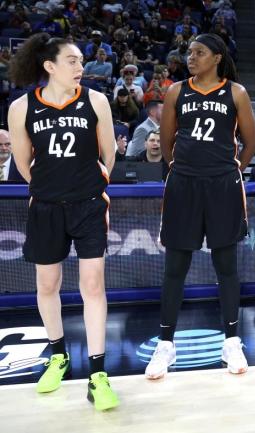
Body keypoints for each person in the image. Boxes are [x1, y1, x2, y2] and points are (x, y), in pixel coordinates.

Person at [7, 33, 119, 410]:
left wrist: (90, 180)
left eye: (80, 61)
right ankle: (58, 355)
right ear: (49, 66)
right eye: (72, 61)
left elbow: (110, 153)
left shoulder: (96, 100)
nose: (80, 67)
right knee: (48, 283)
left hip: (88, 203)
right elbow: (23, 163)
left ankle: (98, 373)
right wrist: (48, 186)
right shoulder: (22, 107)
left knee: (92, 285)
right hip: (47, 206)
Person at [144, 34, 255, 379]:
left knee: (226, 264)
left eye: (199, 52)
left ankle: (232, 340)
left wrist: (230, 169)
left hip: (223, 184)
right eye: (190, 52)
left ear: (217, 58)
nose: (191, 57)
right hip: (184, 183)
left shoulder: (236, 92)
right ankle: (166, 343)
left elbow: (250, 143)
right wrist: (185, 170)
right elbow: (166, 143)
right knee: (175, 265)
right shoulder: (177, 91)